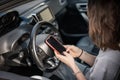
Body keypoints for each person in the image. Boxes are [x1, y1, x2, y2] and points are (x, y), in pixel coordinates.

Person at [43, 0, 120, 80]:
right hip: (90, 72)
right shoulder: (113, 43)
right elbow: (100, 64)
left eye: (90, 15)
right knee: (58, 65)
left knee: (49, 70)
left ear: (99, 22)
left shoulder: (110, 58)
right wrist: (80, 53)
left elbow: (105, 63)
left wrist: (73, 66)